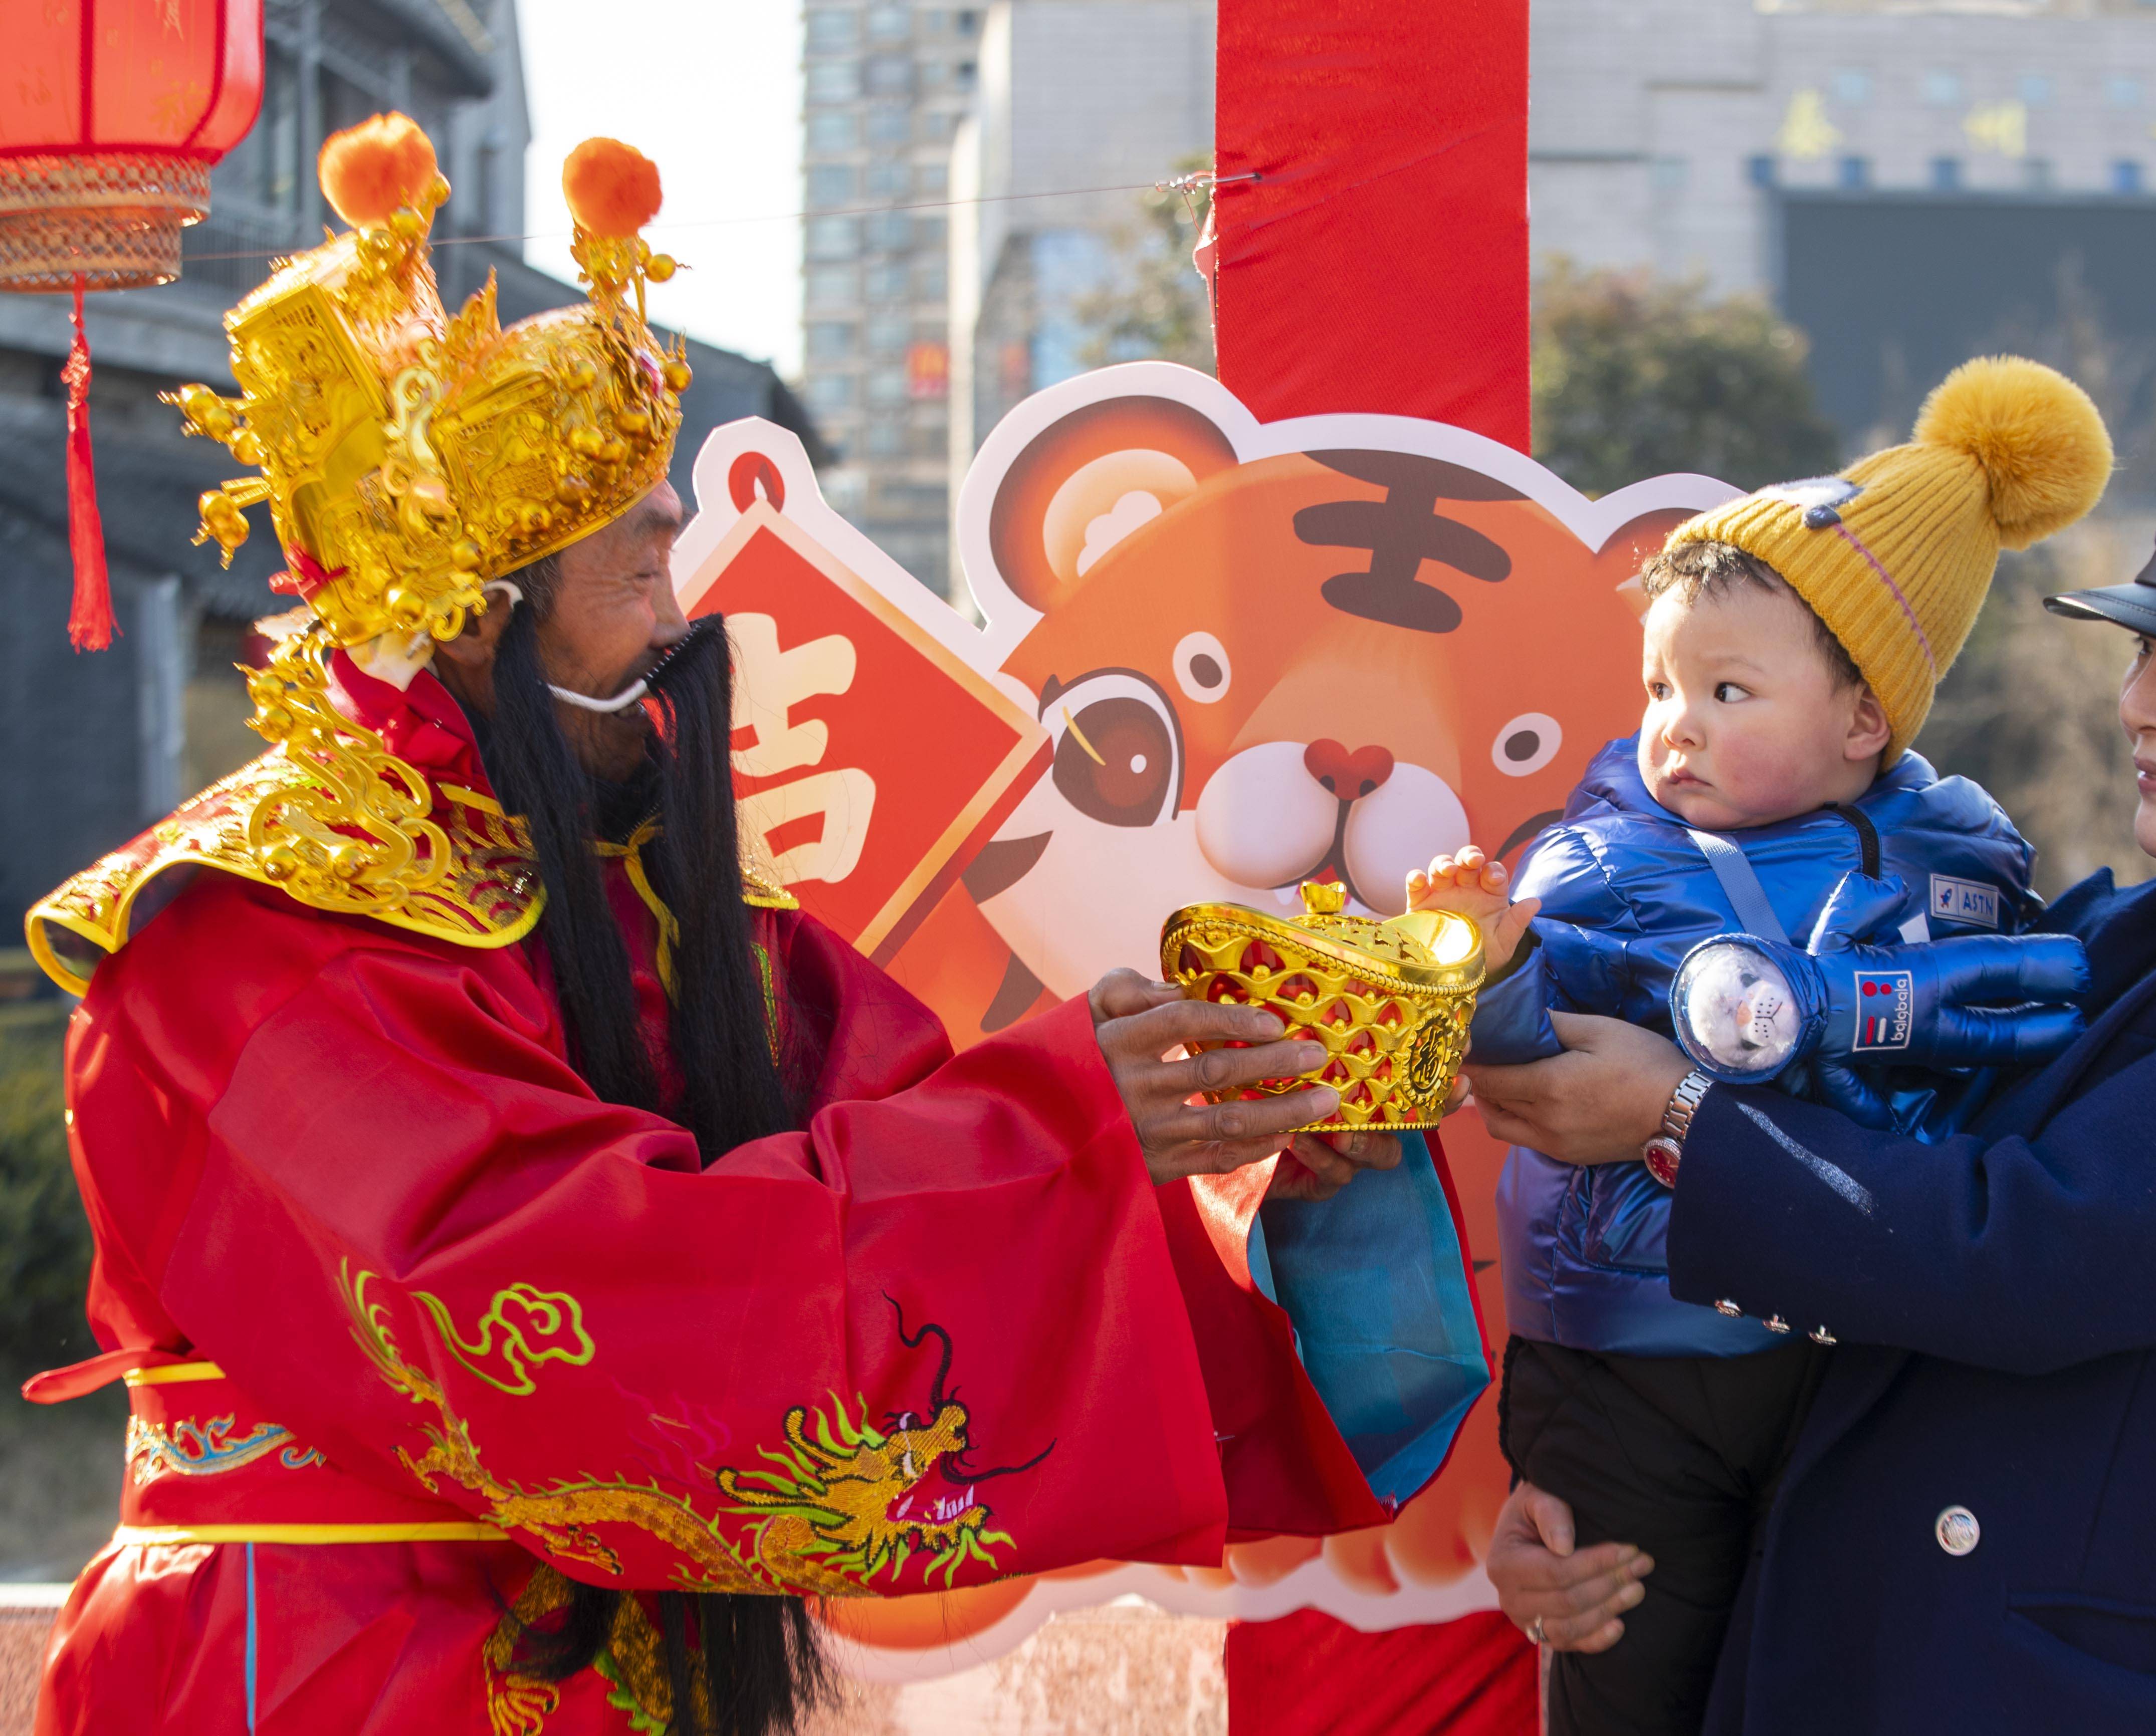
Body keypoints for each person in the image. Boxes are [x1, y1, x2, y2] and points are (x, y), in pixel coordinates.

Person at [21, 119, 1482, 1736]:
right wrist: (1068, 1119)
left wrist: (1226, 1159)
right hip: (317, 1666)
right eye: (636, 569)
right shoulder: (250, 929)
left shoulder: (662, 897)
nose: (680, 625)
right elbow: (542, 1290)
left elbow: (922, 1151)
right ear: (472, 611)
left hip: (628, 1665)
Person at [1471, 450, 2156, 1734]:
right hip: (1849, 1644)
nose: (2142, 706)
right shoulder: (2119, 941)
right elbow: (1875, 1205)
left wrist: (1678, 1118)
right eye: (2146, 657)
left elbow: (2042, 1248)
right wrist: (1618, 1485)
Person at [1404, 356, 2108, 1733]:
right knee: (1627, 1666)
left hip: (1850, 1346)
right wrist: (1482, 964)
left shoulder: (1963, 876)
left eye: (1728, 692)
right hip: (1619, 1363)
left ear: (1863, 720)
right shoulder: (1595, 863)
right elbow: (1518, 1070)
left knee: (1822, 1673)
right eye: (1660, 686)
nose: (1675, 727)